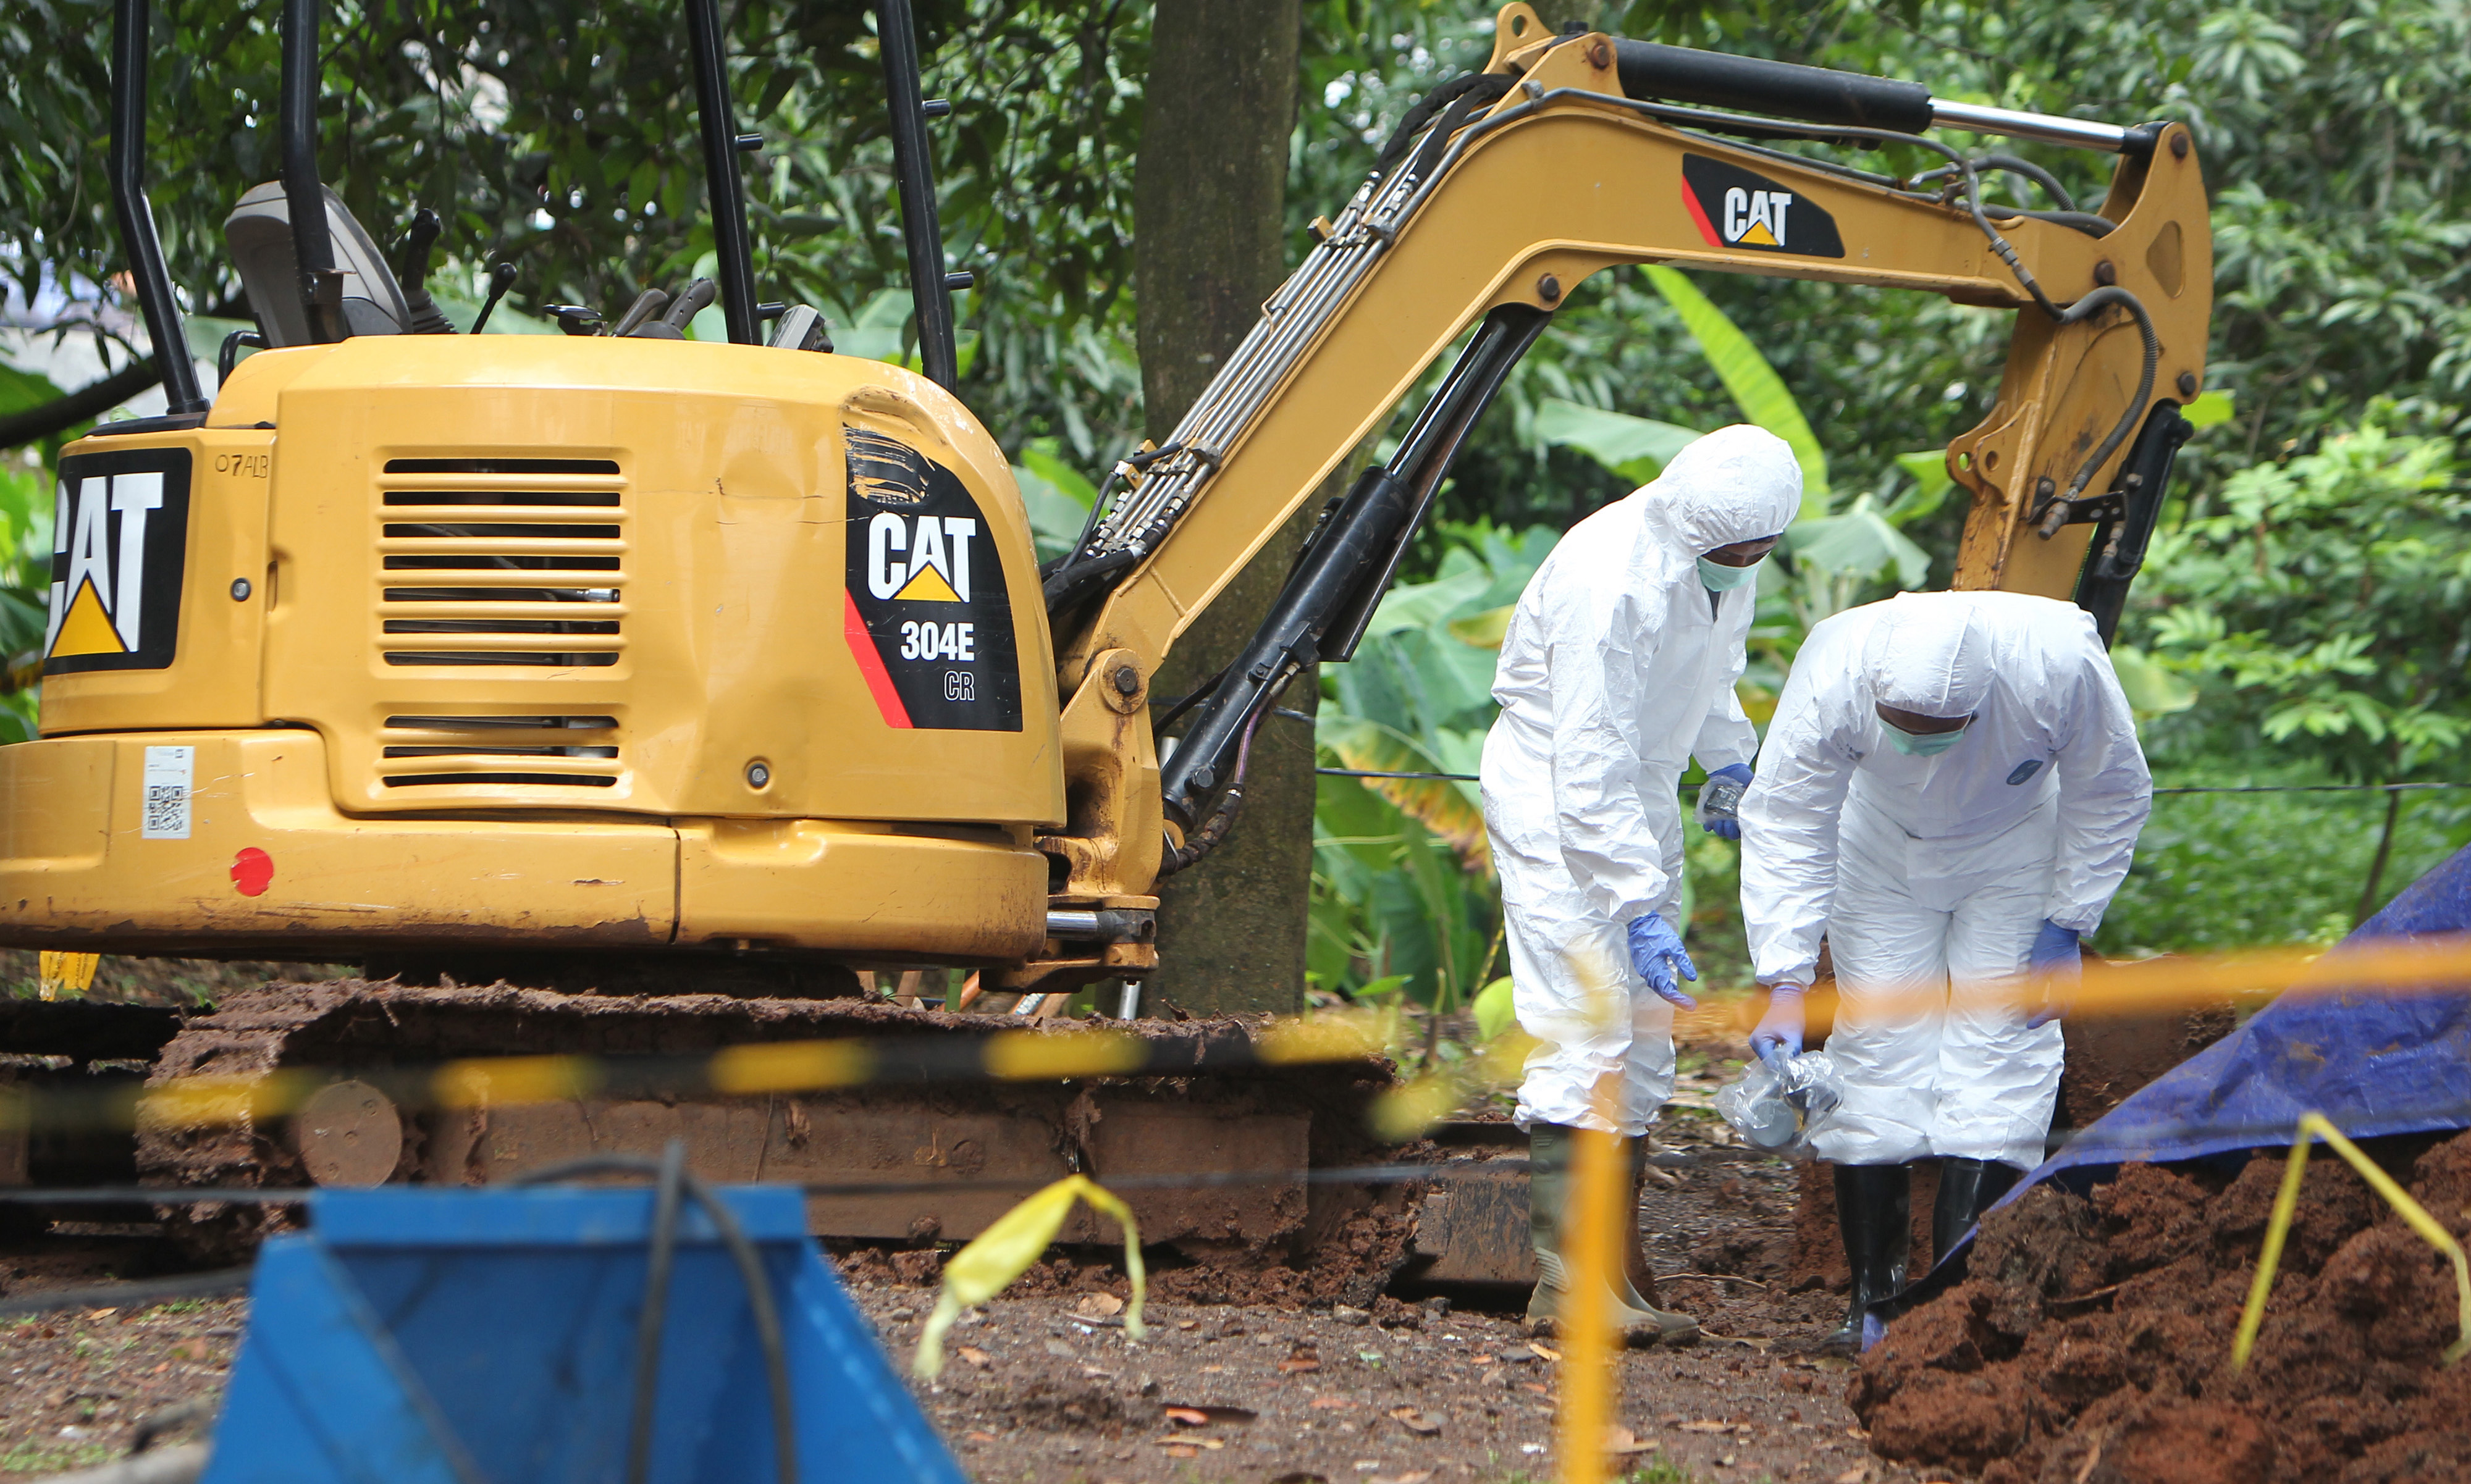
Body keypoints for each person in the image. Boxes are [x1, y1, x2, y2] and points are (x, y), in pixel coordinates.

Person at [1736, 590, 2151, 1349]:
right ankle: (1872, 1297)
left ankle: (1956, 1298)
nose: (1920, 743)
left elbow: (2111, 784)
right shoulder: (1836, 662)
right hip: (1877, 846)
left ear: (1982, 700)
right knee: (1876, 1042)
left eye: (1940, 730)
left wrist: (2068, 920)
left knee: (1999, 1042)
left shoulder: (2057, 658)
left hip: (2013, 842)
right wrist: (1786, 979)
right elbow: (1788, 815)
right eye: (1904, 728)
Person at [1480, 424, 1800, 1346]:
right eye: (1729, 555)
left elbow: (1711, 680)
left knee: (1647, 1042)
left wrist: (1731, 763)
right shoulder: (1608, 577)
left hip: (1641, 790)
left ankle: (1613, 1271)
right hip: (1558, 797)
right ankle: (1564, 1285)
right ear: (1691, 523)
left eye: (1756, 554)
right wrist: (1636, 903)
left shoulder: (1721, 563)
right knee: (1587, 1026)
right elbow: (1586, 758)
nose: (1742, 567)